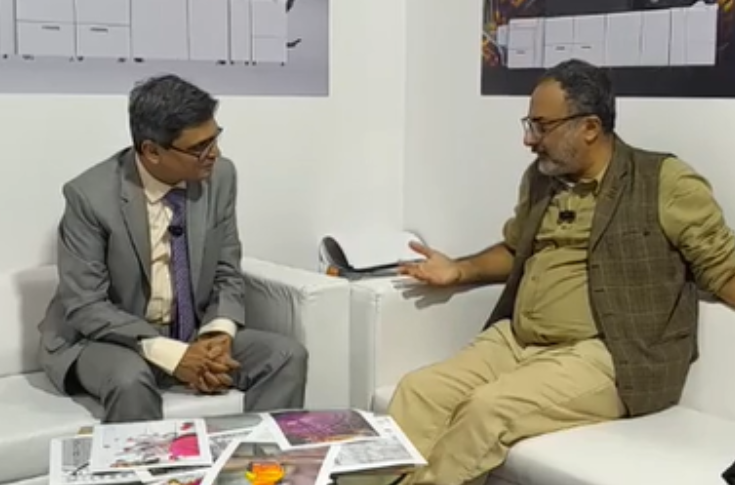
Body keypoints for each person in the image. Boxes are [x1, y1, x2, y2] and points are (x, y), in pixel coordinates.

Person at [390, 58, 735, 485]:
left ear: (589, 127)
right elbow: (516, 248)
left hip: (609, 356)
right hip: (517, 341)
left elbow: (723, 269)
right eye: (529, 125)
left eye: (541, 126)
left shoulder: (664, 181)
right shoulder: (541, 179)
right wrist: (460, 270)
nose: (529, 140)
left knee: (486, 409)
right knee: (418, 391)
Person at [37, 74, 308, 423]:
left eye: (215, 138)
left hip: (190, 331)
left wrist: (217, 334)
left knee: (286, 356)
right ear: (151, 151)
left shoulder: (220, 177)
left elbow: (226, 269)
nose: (214, 154)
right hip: (106, 340)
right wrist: (172, 355)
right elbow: (86, 305)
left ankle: (252, 456)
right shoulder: (90, 196)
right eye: (200, 148)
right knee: (130, 380)